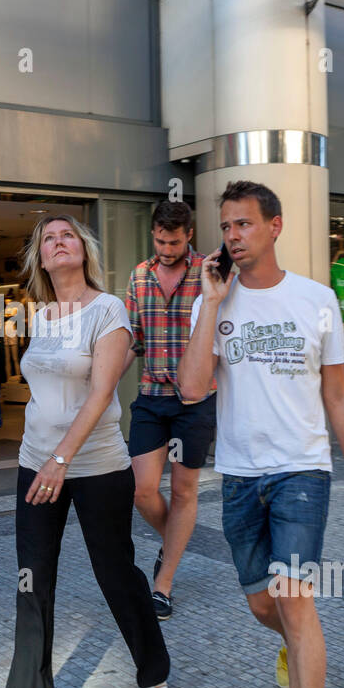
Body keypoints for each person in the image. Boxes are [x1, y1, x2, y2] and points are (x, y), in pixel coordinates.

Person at [179, 180, 344, 688]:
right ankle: (292, 647)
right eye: (227, 226)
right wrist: (212, 303)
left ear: (275, 226)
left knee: (295, 601)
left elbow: (338, 394)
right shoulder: (210, 302)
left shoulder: (316, 299)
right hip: (240, 475)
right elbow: (191, 388)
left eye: (243, 223)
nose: (233, 236)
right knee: (263, 606)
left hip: (302, 471)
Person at [0, 215, 170, 688]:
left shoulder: (108, 310)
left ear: (82, 250)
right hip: (35, 465)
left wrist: (62, 459)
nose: (58, 242)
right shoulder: (41, 316)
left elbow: (100, 391)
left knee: (115, 572)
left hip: (97, 466)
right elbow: (44, 395)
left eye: (67, 235)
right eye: (48, 239)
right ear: (41, 259)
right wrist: (42, 456)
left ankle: (153, 668)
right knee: (31, 582)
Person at [121, 199, 216, 620]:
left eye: (173, 241)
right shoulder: (139, 275)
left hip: (193, 403)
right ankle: (174, 542)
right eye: (159, 240)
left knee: (183, 491)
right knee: (142, 490)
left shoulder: (209, 274)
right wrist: (102, 386)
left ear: (188, 236)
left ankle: (164, 583)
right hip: (150, 397)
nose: (165, 247)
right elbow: (131, 339)